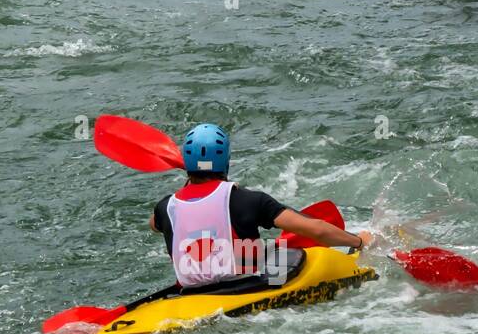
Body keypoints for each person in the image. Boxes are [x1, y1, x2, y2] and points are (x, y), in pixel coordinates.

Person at [149, 123, 372, 287]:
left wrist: (190, 182)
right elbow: (318, 230)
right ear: (226, 161)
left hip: (190, 290)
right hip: (244, 286)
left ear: (187, 165)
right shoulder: (249, 200)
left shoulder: (165, 207)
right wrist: (360, 241)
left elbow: (155, 225)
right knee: (285, 251)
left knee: (258, 250)